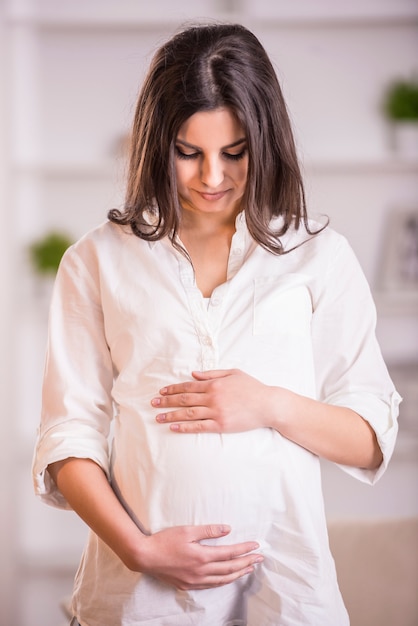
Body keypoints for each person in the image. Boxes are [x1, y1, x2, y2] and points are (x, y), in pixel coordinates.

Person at [32, 22, 400, 626]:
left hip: (286, 596)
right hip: (136, 599)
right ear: (157, 144)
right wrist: (140, 550)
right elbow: (69, 436)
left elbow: (369, 436)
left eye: (234, 153)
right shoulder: (97, 260)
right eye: (188, 152)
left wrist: (268, 404)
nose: (211, 177)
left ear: (267, 139)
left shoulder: (318, 255)